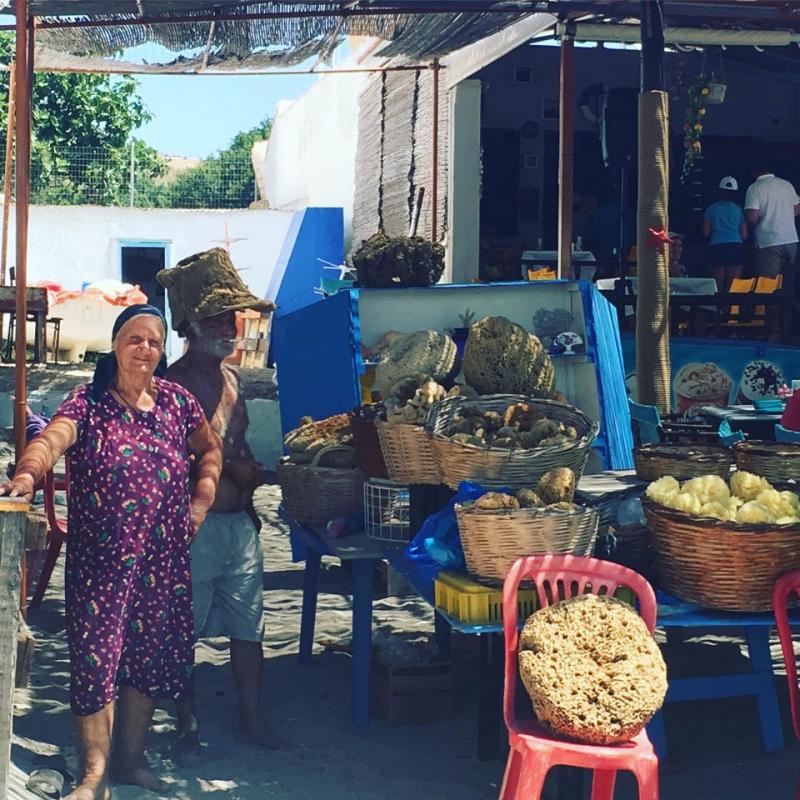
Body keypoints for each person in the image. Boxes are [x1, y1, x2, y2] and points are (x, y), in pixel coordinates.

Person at [0, 305, 222, 800]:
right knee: (96, 664)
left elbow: (211, 449)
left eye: (154, 341)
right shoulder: (90, 402)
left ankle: (131, 761)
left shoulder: (176, 403)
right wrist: (28, 473)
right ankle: (93, 773)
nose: (145, 348)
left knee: (145, 660)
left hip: (161, 563)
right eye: (135, 338)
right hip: (102, 566)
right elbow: (53, 438)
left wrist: (200, 502)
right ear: (116, 343)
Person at [156, 249, 278, 750]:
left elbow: (236, 444)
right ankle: (187, 718)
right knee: (183, 628)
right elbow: (171, 462)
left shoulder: (233, 380)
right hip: (197, 529)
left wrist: (252, 474)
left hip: (238, 527)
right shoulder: (172, 386)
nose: (232, 324)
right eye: (219, 316)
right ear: (191, 324)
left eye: (233, 314)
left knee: (249, 628)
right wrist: (231, 468)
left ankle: (251, 719)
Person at [744, 163, 800, 284]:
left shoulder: (755, 188)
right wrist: (784, 217)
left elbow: (752, 218)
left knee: (767, 286)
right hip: (791, 239)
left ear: (753, 171)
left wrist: (749, 231)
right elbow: (797, 208)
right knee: (787, 284)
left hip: (768, 241)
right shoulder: (786, 184)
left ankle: (770, 304)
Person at [703, 176, 747, 291]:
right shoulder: (738, 209)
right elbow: (744, 235)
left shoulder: (711, 209)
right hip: (736, 247)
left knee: (717, 285)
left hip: (717, 247)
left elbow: (706, 233)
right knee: (733, 285)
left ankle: (718, 308)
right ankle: (730, 308)